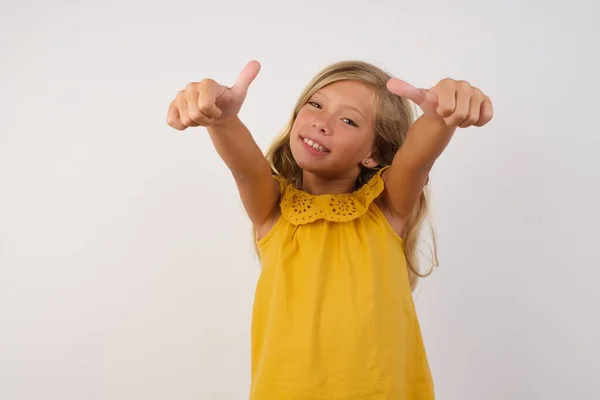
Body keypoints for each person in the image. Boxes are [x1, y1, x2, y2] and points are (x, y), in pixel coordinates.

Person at [166, 59, 493, 399]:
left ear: (373, 153)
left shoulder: (387, 208)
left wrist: (441, 118)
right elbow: (246, 168)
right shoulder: (273, 212)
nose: (323, 123)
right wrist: (222, 120)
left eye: (349, 120)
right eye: (316, 104)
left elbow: (416, 159)